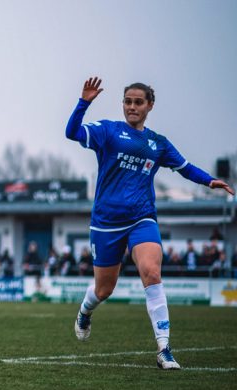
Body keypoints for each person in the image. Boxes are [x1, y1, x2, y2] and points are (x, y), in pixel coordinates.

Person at [65, 77, 234, 369]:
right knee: (104, 290)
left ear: (150, 106)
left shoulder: (158, 143)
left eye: (138, 102)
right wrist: (84, 103)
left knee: (152, 272)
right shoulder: (108, 131)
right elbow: (71, 132)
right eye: (128, 101)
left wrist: (209, 180)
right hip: (105, 222)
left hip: (142, 218)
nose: (132, 107)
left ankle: (164, 348)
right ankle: (85, 311)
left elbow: (185, 168)